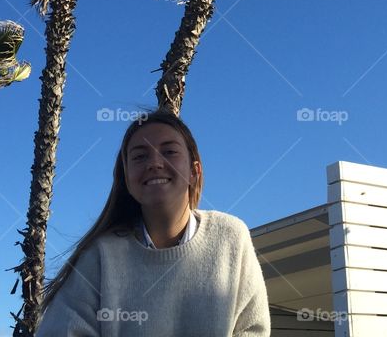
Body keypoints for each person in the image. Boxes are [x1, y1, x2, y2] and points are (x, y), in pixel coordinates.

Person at [35, 108, 271, 336]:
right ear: (127, 178)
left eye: (169, 151)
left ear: (194, 171)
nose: (154, 163)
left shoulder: (231, 236)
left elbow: (252, 329)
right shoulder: (100, 255)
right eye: (140, 156)